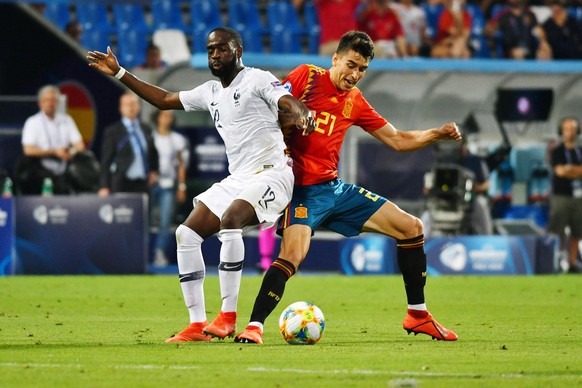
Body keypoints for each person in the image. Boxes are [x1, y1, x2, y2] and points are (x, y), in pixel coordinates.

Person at [87, 26, 315, 342]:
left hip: (272, 173)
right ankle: (197, 325)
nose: (215, 55)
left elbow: (287, 101)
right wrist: (120, 72)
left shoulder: (257, 79)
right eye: (210, 50)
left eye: (221, 49)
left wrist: (303, 113)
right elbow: (165, 99)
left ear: (238, 51)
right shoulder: (209, 92)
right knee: (187, 233)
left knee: (231, 219)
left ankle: (228, 317)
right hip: (239, 178)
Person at [235, 31, 462, 345]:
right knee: (293, 254)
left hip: (334, 189)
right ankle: (254, 327)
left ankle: (418, 315)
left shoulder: (354, 101)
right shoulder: (307, 77)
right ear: (335, 59)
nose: (355, 75)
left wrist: (437, 133)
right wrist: (294, 121)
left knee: (412, 227)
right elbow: (270, 112)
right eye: (351, 65)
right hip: (300, 190)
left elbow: (397, 139)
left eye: (362, 70)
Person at [20, 85, 85, 194]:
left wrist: (70, 152)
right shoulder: (32, 122)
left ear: (58, 103)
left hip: (65, 166)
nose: (50, 104)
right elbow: (28, 150)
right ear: (40, 103)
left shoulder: (67, 120)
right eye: (47, 100)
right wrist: (54, 152)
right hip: (40, 168)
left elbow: (80, 145)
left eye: (53, 100)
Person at [98, 92, 159, 195]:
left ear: (139, 106)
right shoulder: (113, 131)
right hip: (121, 182)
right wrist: (104, 186)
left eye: (133, 104)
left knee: (144, 210)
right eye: (127, 104)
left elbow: (153, 152)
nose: (131, 107)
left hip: (143, 183)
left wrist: (154, 171)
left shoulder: (146, 129)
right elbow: (106, 160)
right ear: (121, 108)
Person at [150, 109, 189, 267]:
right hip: (151, 183)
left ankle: (159, 252)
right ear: (157, 117)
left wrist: (181, 186)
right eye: (164, 115)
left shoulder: (177, 139)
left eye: (170, 116)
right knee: (145, 219)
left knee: (165, 221)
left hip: (168, 184)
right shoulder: (150, 137)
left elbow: (181, 165)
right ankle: (141, 252)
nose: (167, 119)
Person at [548, 117, 582, 274]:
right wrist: (577, 171)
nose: (569, 131)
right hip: (561, 196)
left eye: (572, 128)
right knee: (558, 230)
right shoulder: (557, 151)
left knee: (577, 231)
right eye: (566, 128)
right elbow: (560, 171)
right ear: (561, 130)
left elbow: (566, 171)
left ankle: (572, 263)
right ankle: (556, 260)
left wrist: (570, 169)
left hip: (579, 197)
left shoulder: (580, 150)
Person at [293, 0, 362, 55]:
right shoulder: (324, 2)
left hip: (352, 44)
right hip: (330, 45)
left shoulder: (351, 2)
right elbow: (296, 3)